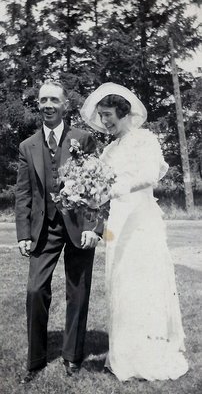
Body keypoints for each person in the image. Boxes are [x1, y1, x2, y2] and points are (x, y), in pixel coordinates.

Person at [80, 82, 189, 381]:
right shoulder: (110, 150)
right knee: (121, 281)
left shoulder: (145, 139)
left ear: (123, 110)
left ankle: (150, 354)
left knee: (145, 282)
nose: (104, 122)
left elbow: (151, 174)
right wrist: (86, 193)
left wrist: (114, 189)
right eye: (101, 116)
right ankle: (126, 355)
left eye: (108, 114)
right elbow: (97, 183)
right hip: (118, 222)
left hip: (141, 219)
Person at [15, 80, 102, 383]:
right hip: (44, 228)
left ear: (66, 105)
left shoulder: (84, 139)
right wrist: (24, 233)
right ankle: (35, 359)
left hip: (78, 226)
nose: (48, 105)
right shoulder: (28, 146)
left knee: (77, 292)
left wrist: (94, 227)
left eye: (54, 100)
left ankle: (72, 357)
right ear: (38, 105)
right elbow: (24, 194)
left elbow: (96, 187)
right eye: (43, 100)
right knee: (35, 290)